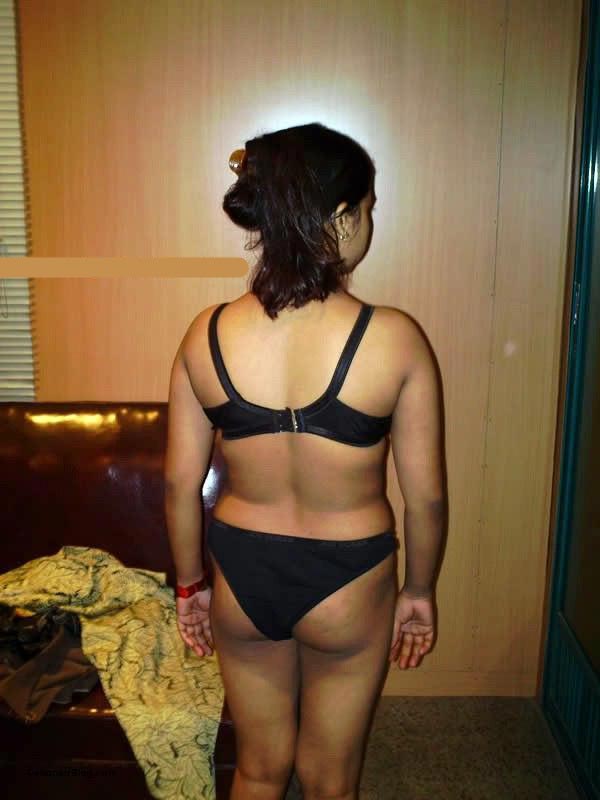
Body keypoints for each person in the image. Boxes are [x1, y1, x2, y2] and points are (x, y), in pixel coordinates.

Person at [164, 122, 446, 800]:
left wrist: (190, 586)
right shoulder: (396, 339)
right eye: (368, 208)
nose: (369, 222)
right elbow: (427, 500)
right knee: (328, 780)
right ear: (342, 218)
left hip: (243, 571)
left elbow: (178, 485)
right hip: (349, 578)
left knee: (259, 768)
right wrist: (418, 591)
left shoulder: (204, 334)